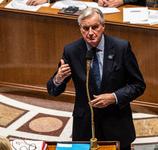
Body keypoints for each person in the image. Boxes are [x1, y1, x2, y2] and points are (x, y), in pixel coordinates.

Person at [47, 7, 146, 150]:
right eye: (86, 28)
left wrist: (113, 97)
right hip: (86, 126)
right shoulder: (71, 51)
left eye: (95, 27)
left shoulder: (121, 48)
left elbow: (138, 85)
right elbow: (52, 91)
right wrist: (58, 79)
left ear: (103, 26)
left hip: (116, 122)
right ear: (80, 28)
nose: (91, 33)